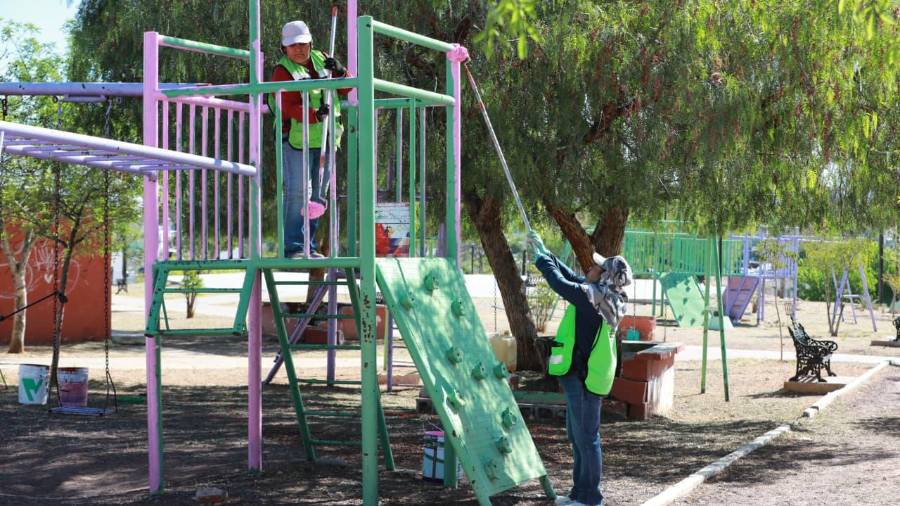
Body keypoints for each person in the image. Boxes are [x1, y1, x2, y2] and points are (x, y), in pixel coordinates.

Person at [528, 230, 632, 506]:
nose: (590, 267)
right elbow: (570, 278)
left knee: (587, 439)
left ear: (605, 276)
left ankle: (591, 499)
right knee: (578, 437)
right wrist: (545, 254)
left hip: (586, 378)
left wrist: (542, 262)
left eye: (597, 266)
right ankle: (579, 494)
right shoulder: (601, 294)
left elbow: (560, 284)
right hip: (581, 375)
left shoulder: (593, 300)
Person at [269, 20, 353, 258]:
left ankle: (309, 247)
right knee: (298, 191)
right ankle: (294, 247)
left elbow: (347, 88)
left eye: (303, 44)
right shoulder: (282, 71)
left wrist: (340, 71)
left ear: (310, 43)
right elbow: (284, 105)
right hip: (297, 139)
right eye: (293, 45)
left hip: (327, 138)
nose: (299, 49)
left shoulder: (322, 58)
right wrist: (314, 115)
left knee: (318, 196)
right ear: (284, 48)